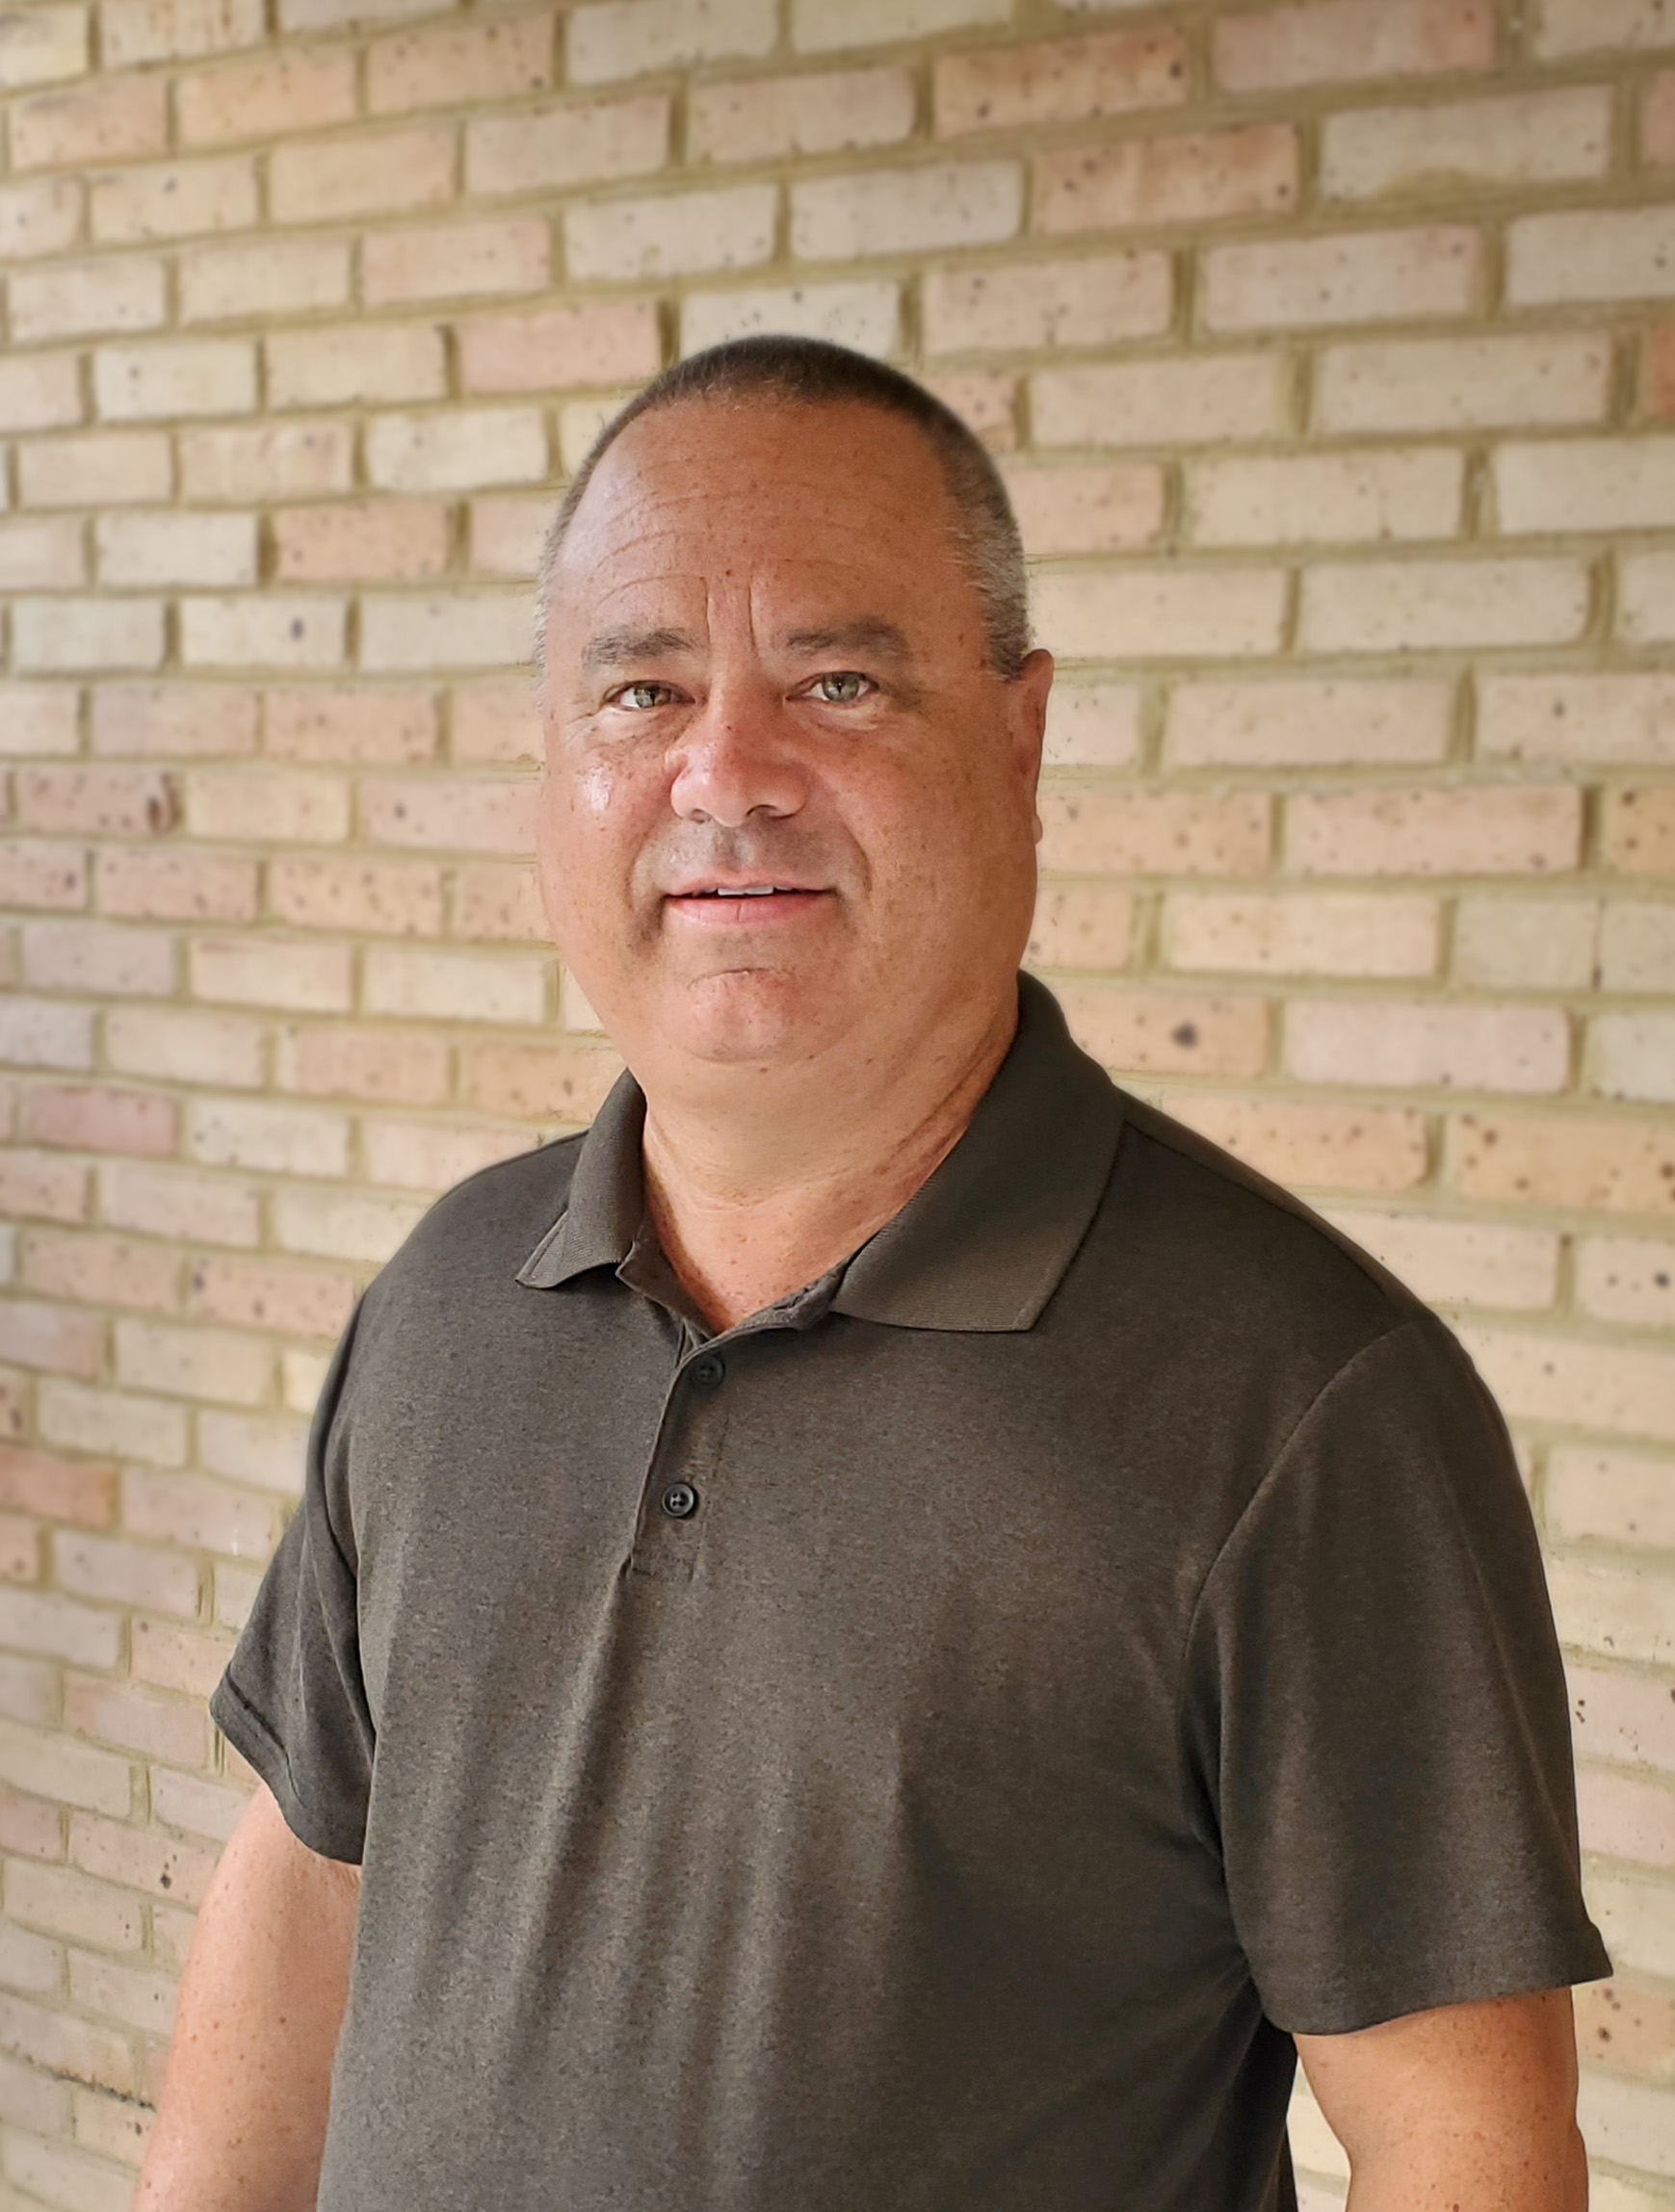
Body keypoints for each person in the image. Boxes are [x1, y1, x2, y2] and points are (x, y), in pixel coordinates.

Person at [138, 337, 1609, 2212]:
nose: (724, 771)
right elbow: (306, 1888)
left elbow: (1466, 2164)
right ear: (550, 759)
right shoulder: (446, 1299)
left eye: (838, 681)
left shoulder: (1300, 1407)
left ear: (1020, 739)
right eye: (641, 689)